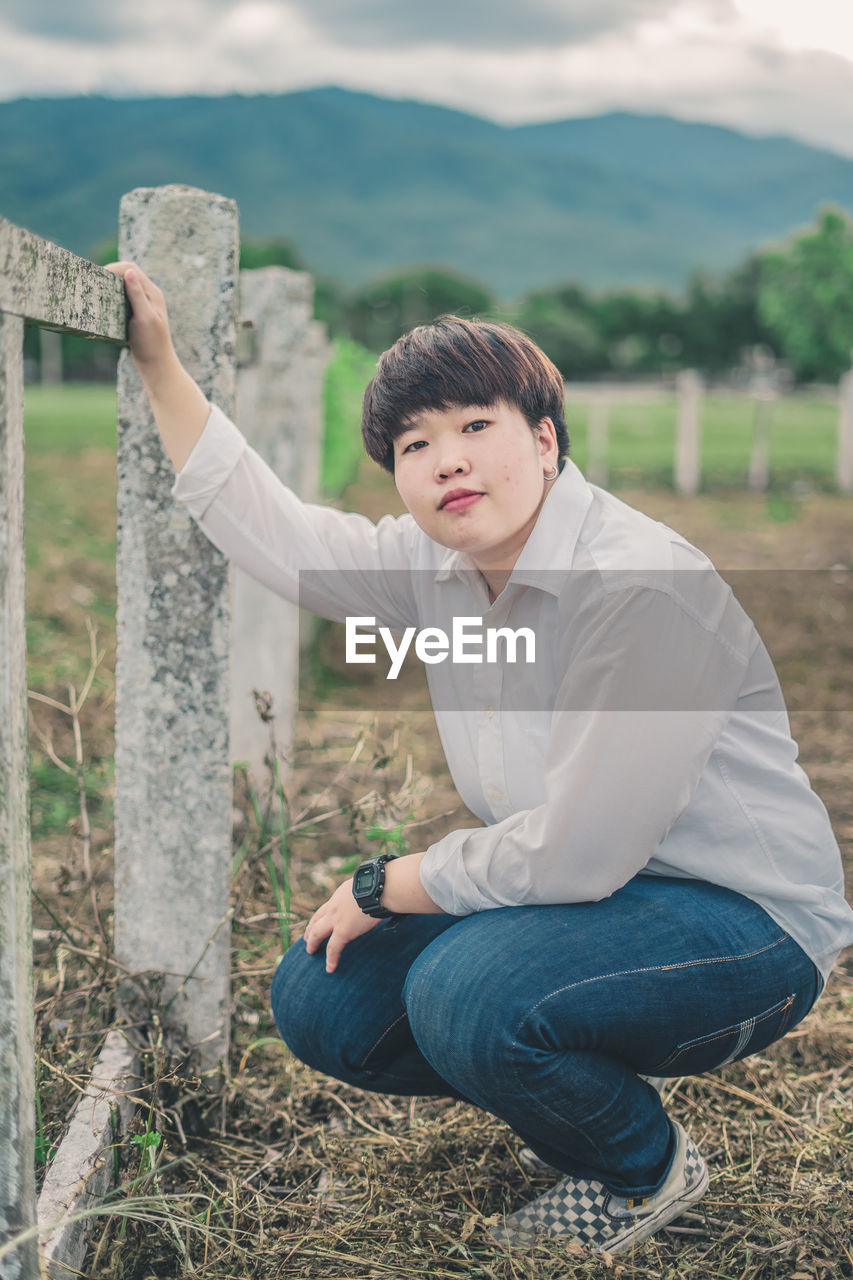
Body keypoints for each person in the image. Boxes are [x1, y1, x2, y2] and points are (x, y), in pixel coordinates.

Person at [107, 261, 853, 1256]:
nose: (447, 461)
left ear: (543, 440)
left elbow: (579, 852)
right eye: (416, 444)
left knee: (466, 987)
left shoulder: (637, 589)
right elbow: (279, 534)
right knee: (324, 993)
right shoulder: (438, 567)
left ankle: (642, 1168)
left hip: (744, 921)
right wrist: (159, 362)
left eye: (474, 427)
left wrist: (390, 880)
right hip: (594, 906)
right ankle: (576, 1090)